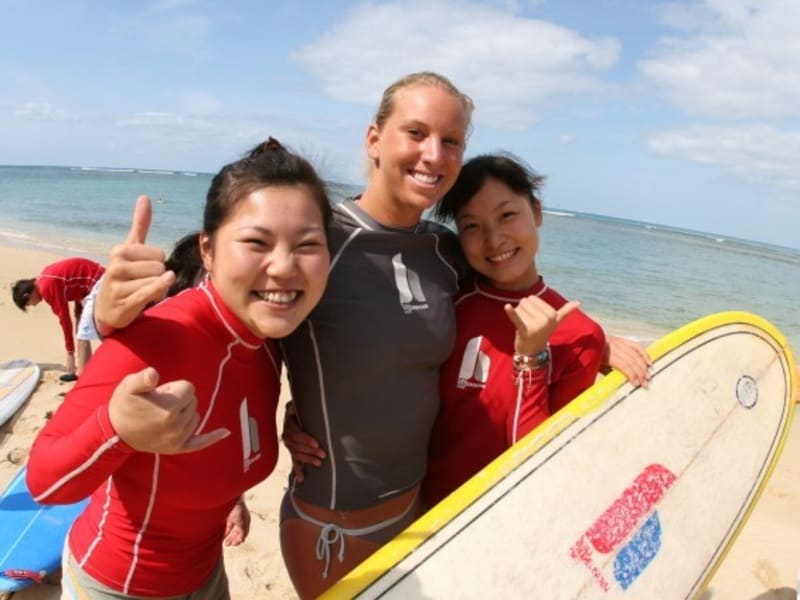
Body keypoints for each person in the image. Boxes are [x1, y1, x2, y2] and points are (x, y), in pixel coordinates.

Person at [88, 71, 649, 598]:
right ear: (375, 138)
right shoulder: (317, 237)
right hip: (331, 527)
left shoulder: (446, 253)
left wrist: (595, 342)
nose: (434, 154)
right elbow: (219, 322)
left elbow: (508, 285)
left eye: (451, 141)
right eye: (417, 133)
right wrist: (109, 317)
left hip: (423, 517)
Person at [25, 137, 332, 599]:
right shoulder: (160, 336)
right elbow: (44, 483)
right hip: (119, 585)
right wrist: (117, 429)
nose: (285, 267)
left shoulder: (269, 339)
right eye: (256, 242)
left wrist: (234, 495)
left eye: (308, 244)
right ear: (207, 250)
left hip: (207, 577)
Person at [423, 153, 615, 506]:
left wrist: (531, 358)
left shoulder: (581, 336)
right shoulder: (447, 302)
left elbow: (537, 461)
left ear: (537, 212)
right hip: (421, 515)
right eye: (471, 226)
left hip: (509, 521)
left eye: (507, 215)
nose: (494, 239)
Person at [12, 257, 105, 380]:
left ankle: (83, 378)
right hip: (89, 285)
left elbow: (64, 320)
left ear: (27, 295)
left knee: (84, 334)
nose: (34, 305)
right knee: (82, 328)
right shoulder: (43, 278)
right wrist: (78, 313)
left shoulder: (46, 287)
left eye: (29, 304)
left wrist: (70, 353)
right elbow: (76, 283)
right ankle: (84, 371)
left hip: (97, 282)